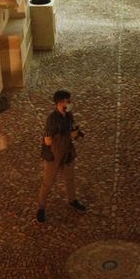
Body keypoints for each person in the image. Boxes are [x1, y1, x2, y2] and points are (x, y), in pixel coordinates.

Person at [36, 90, 87, 223]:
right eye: (68, 101)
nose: (70, 104)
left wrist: (76, 133)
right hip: (54, 155)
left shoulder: (69, 115)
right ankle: (41, 208)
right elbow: (48, 140)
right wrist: (69, 136)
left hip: (67, 152)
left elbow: (70, 131)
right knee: (47, 183)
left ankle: (72, 200)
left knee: (70, 179)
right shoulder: (52, 119)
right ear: (60, 103)